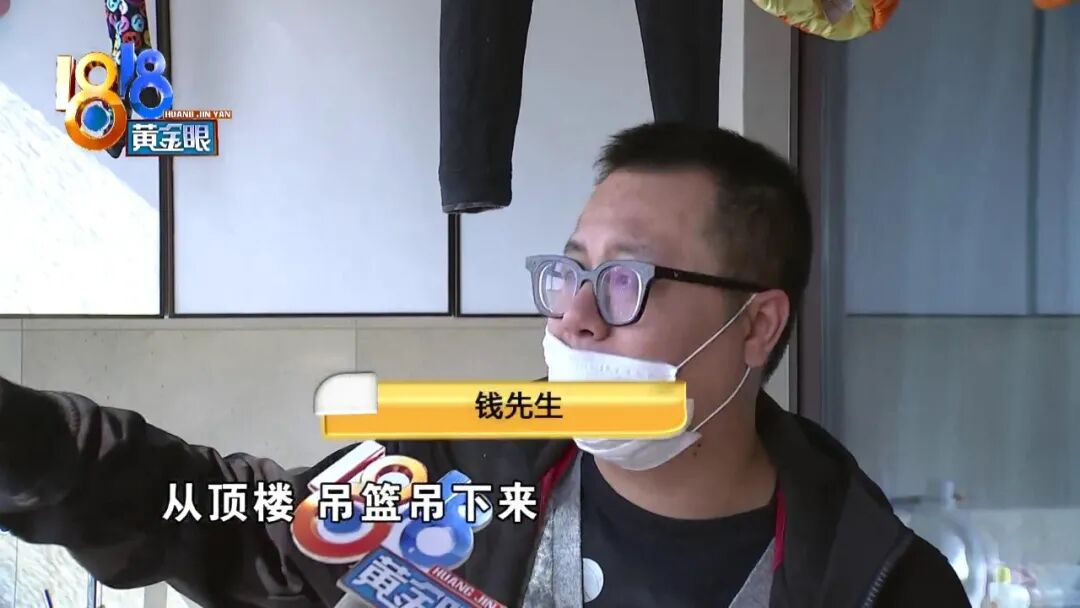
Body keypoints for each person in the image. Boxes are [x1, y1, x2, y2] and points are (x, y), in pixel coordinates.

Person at [0, 122, 969, 607]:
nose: (574, 317)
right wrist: (31, 446)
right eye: (569, 273)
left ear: (756, 327)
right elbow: (246, 525)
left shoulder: (882, 585)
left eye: (627, 281)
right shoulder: (462, 469)